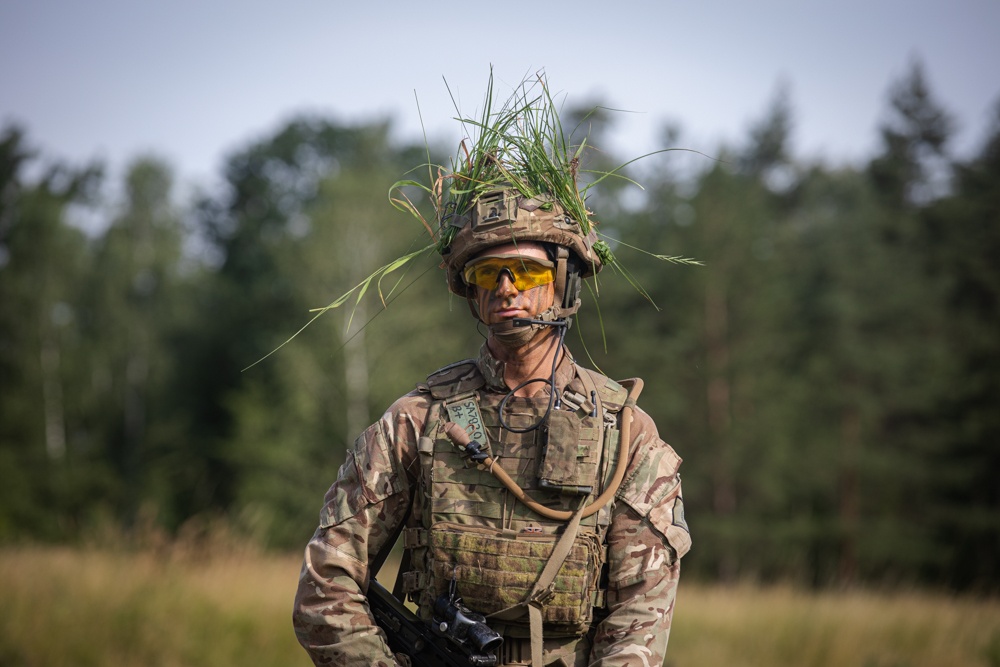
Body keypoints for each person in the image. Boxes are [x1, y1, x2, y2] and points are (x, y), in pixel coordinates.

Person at [292, 182, 692, 666]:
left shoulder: (625, 432)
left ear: (564, 280)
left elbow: (640, 612)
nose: (505, 288)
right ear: (472, 292)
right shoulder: (416, 421)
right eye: (487, 272)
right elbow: (325, 584)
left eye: (525, 271)